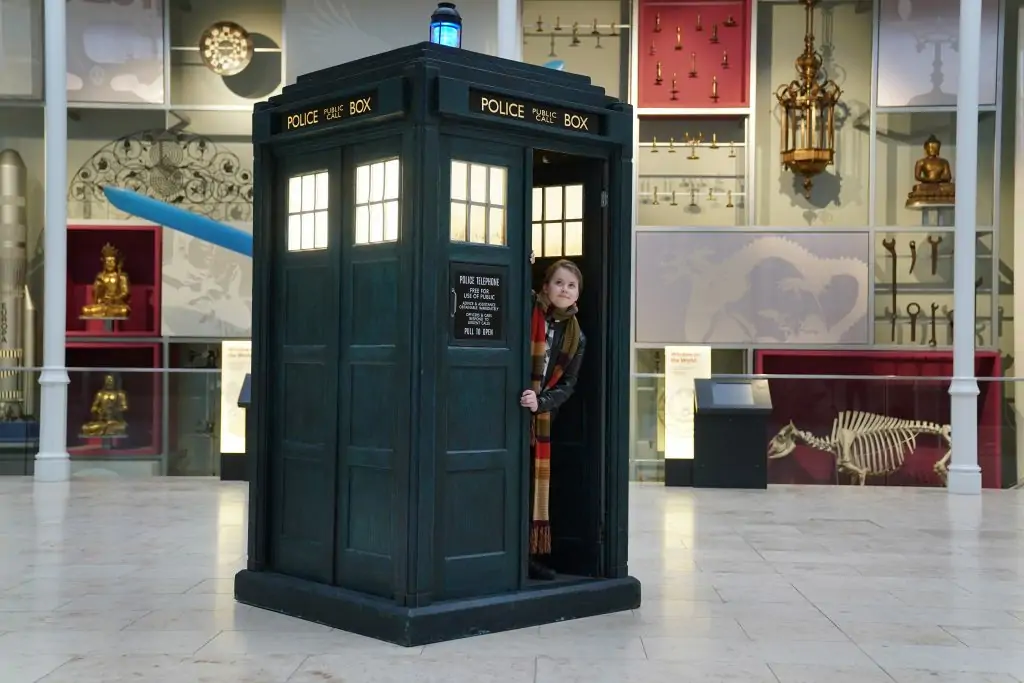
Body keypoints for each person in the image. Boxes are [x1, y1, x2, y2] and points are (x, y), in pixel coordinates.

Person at [520, 257, 586, 580]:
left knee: (533, 487)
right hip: (511, 407)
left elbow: (568, 385)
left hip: (541, 418)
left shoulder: (576, 336)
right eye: (559, 283)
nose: (564, 289)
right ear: (545, 287)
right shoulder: (528, 311)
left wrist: (540, 402)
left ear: (577, 295)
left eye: (571, 285)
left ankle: (527, 558)